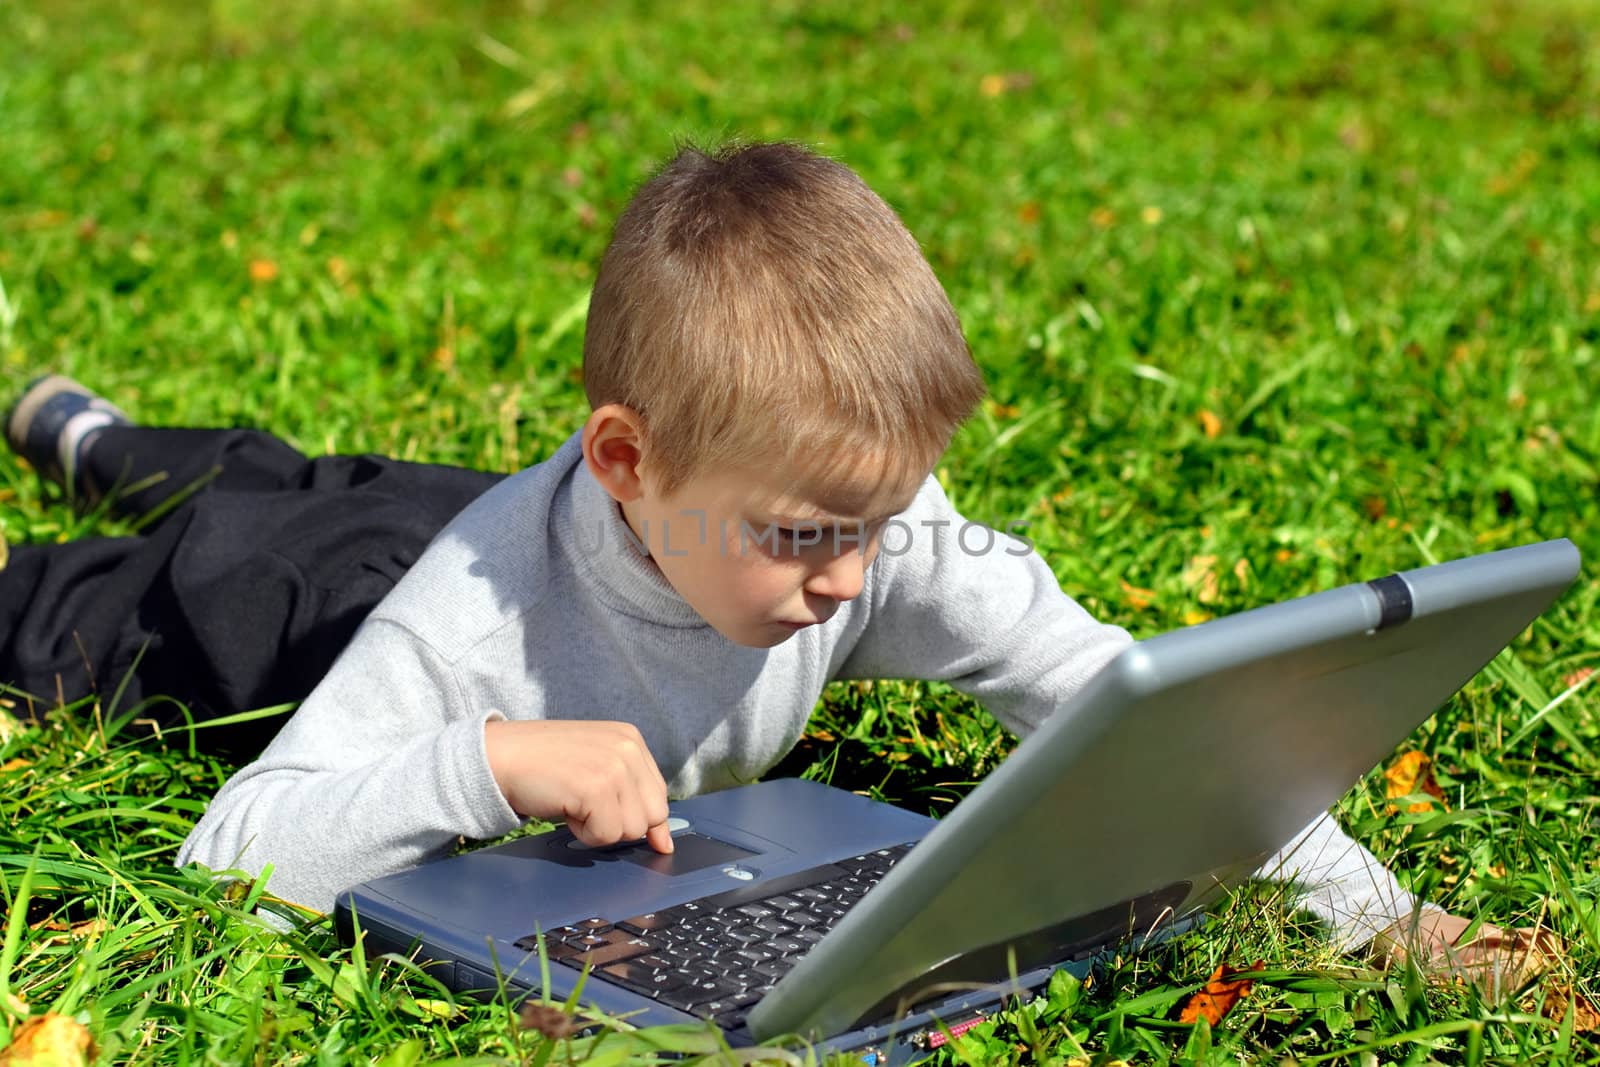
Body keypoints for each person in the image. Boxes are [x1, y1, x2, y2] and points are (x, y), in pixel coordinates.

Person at [1, 142, 1530, 984]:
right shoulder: (467, 630)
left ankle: (106, 434)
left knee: (329, 482)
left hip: (492, 517)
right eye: (810, 539)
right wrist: (484, 763)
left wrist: (1383, 919)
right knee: (207, 561)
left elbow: (1120, 703)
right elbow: (231, 856)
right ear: (625, 462)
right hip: (288, 615)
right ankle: (100, 493)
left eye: (884, 520)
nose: (859, 580)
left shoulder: (843, 522)